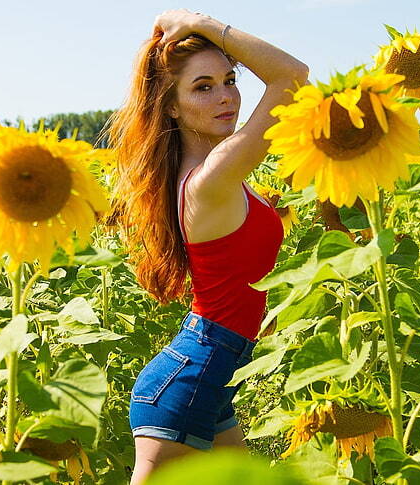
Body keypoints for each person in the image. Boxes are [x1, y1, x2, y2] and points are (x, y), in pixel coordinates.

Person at [107, 9, 308, 485]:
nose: (227, 97)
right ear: (171, 106)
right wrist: (200, 22)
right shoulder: (212, 178)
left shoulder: (208, 176)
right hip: (191, 380)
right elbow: (293, 78)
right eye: (203, 86)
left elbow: (237, 276)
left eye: (230, 79)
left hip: (208, 378)